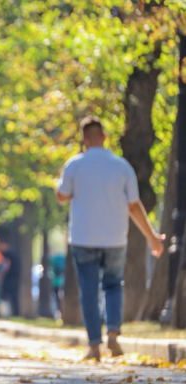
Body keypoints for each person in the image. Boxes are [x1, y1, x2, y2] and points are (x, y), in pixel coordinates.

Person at [56, 116, 164, 361]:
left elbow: (62, 196)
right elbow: (134, 206)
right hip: (115, 238)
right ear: (105, 137)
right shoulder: (121, 166)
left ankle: (94, 346)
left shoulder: (74, 164)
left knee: (89, 290)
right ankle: (113, 332)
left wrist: (60, 183)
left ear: (83, 140)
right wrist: (152, 237)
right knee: (114, 285)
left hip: (83, 238)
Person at [0, 239, 20, 316]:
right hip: (10, 278)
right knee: (6, 296)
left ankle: (14, 313)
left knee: (11, 296)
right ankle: (7, 313)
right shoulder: (7, 255)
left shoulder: (9, 256)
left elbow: (6, 266)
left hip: (11, 278)